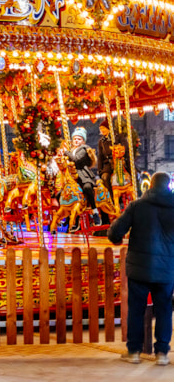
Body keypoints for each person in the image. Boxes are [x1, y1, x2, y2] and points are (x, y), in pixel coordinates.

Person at [108, 172, 174, 366]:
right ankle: (162, 353)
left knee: (136, 310)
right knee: (164, 310)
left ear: (150, 185)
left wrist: (117, 239)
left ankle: (134, 351)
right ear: (169, 185)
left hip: (140, 268)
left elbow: (115, 231)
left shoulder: (137, 206)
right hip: (166, 268)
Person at [62, 127, 101, 228]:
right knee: (60, 193)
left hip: (82, 175)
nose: (76, 140)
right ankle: (67, 216)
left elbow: (76, 160)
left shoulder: (84, 149)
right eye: (74, 138)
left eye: (79, 139)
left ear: (83, 141)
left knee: (87, 187)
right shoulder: (71, 150)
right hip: (71, 175)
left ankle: (95, 211)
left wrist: (66, 152)